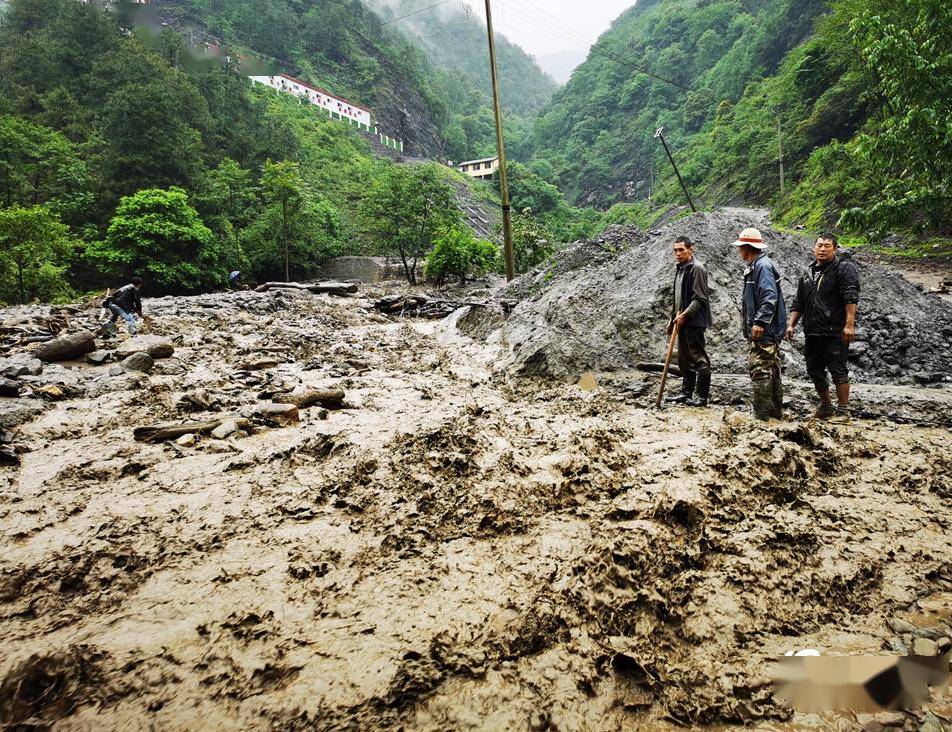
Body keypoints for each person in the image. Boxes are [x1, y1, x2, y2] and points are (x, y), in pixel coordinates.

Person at [786, 233, 860, 422]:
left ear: (835, 249)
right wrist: (791, 324)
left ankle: (843, 411)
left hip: (835, 330)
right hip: (812, 330)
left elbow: (850, 297)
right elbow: (799, 302)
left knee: (838, 369)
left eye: (827, 246)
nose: (823, 249)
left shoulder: (843, 269)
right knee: (814, 369)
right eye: (819, 245)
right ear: (814, 248)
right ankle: (826, 406)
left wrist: (849, 324)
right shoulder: (807, 272)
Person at [734, 227, 787, 421]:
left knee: (760, 368)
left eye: (741, 248)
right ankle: (774, 412)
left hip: (765, 330)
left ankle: (762, 414)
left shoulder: (762, 266)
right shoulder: (756, 266)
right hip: (766, 329)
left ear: (748, 247)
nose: (739, 252)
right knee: (771, 367)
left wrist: (759, 322)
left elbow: (769, 297)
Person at [666, 236, 712, 406]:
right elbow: (678, 300)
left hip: (694, 321)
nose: (677, 253)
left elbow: (699, 298)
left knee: (699, 359)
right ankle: (686, 393)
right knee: (684, 360)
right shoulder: (680, 269)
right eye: (675, 250)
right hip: (682, 321)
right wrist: (673, 320)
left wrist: (685, 315)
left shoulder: (697, 269)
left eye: (681, 250)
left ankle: (701, 397)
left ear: (690, 249)